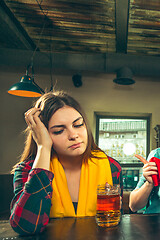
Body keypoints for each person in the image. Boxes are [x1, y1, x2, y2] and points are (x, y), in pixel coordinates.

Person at [9, 91, 122, 235]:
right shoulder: (27, 170)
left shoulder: (111, 167)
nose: (74, 135)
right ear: (41, 134)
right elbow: (25, 227)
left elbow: (114, 225)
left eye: (78, 124)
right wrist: (43, 148)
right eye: (59, 131)